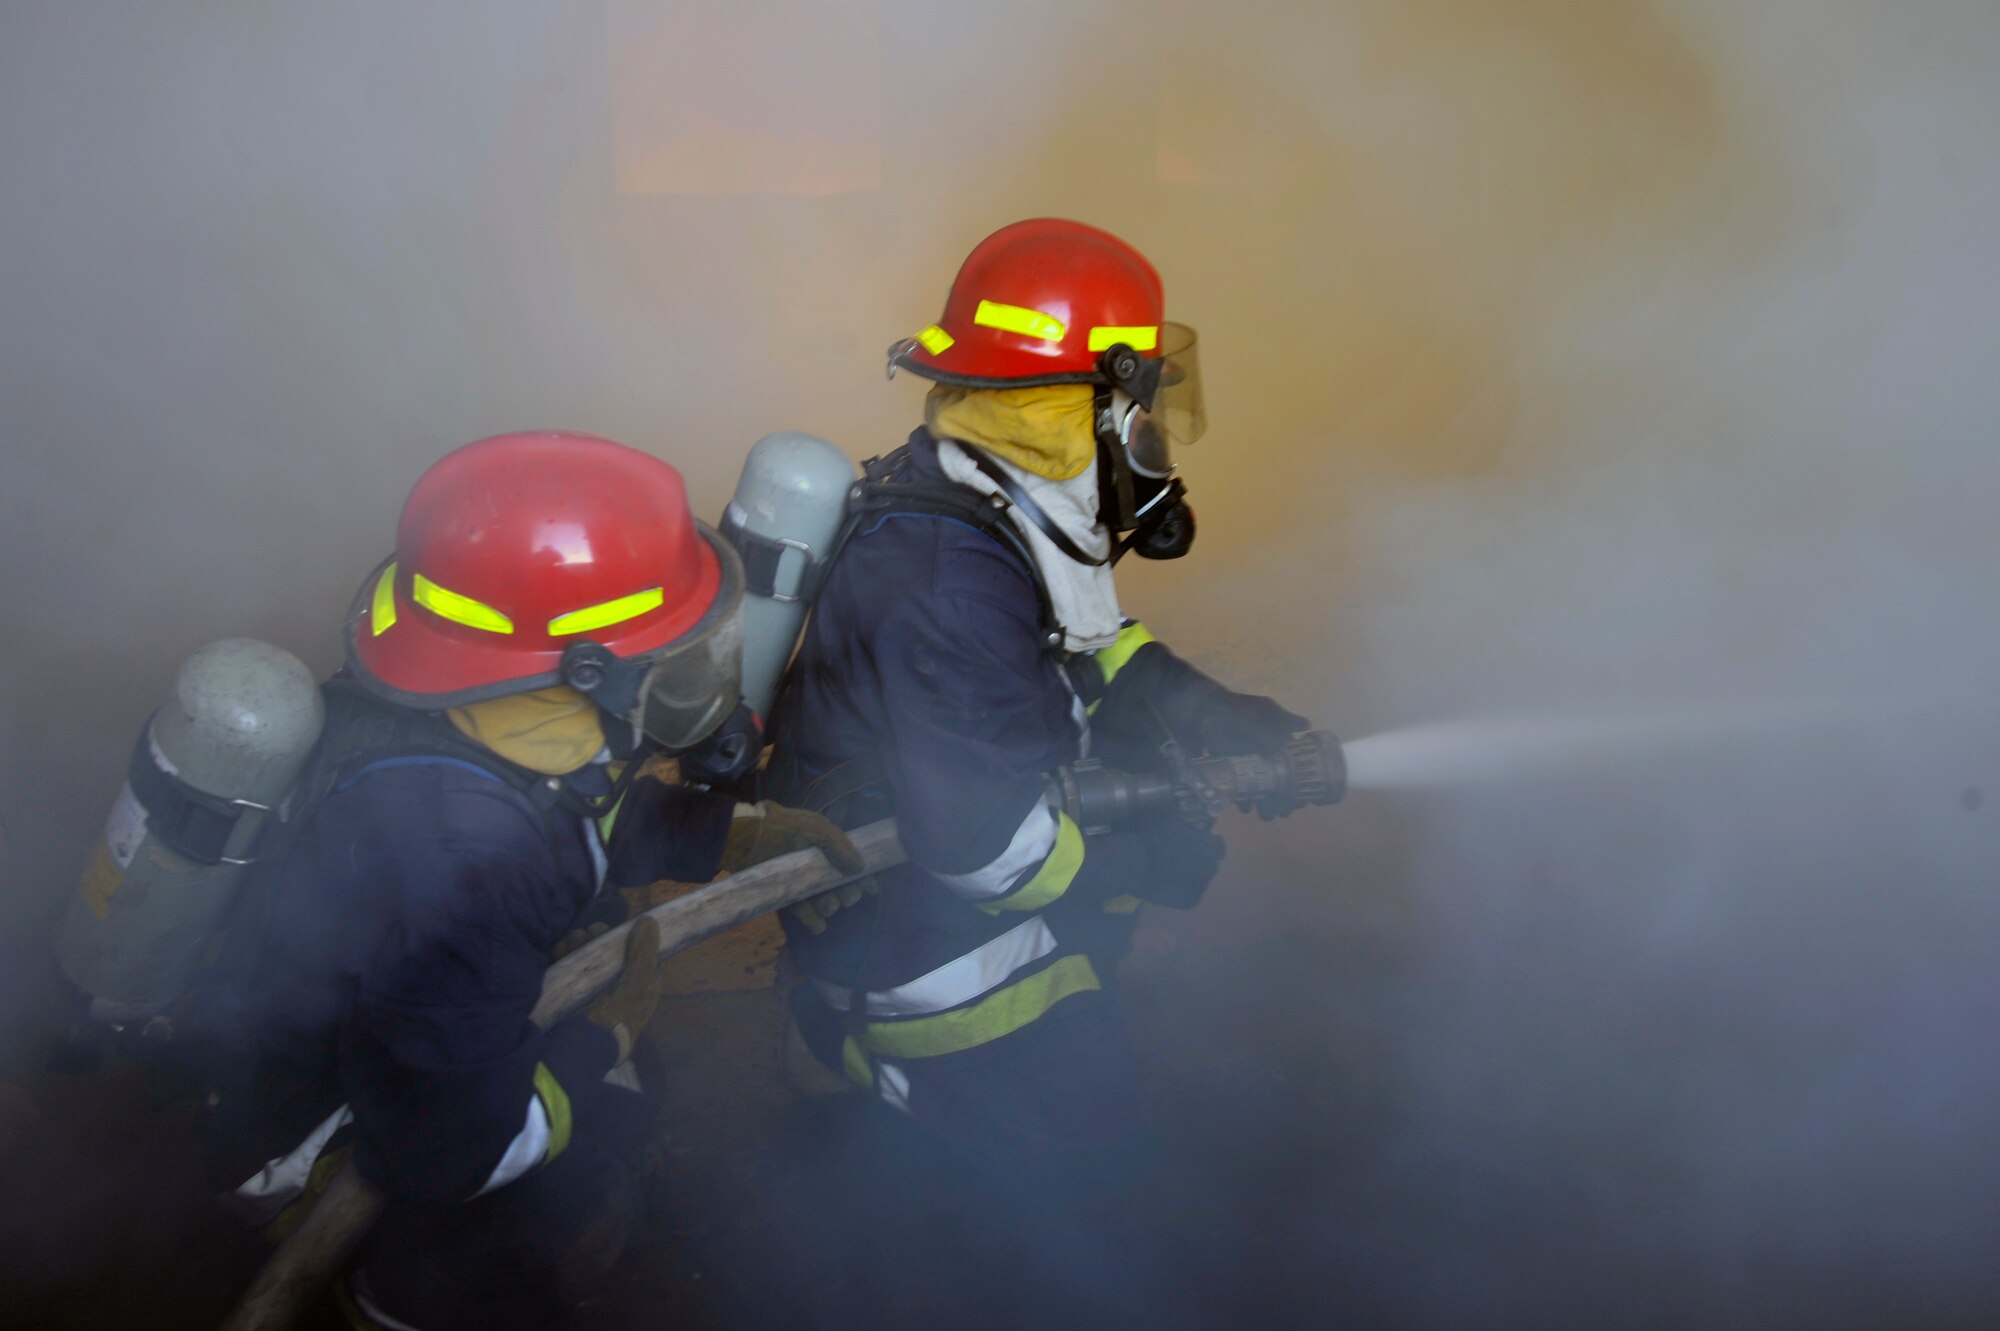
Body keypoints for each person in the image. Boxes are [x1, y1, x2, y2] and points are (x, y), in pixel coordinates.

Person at [764, 219, 1310, 1318]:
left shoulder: (991, 484)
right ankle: (876, 1076)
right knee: (1086, 1210)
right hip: (919, 943)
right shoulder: (942, 577)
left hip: (941, 873)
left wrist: (1217, 714)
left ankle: (856, 1075)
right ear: (1088, 399)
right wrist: (1138, 845)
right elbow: (983, 849)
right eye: (1142, 399)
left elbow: (1087, 642)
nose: (1153, 430)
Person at [197, 430, 858, 1331]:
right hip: (317, 1131)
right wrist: (602, 1040)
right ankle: (397, 1296)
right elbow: (447, 1148)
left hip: (318, 1047)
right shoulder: (473, 865)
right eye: (667, 648)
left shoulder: (466, 715)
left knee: (617, 1096)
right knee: (567, 1187)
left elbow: (569, 818)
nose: (689, 670)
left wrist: (731, 835)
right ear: (587, 670)